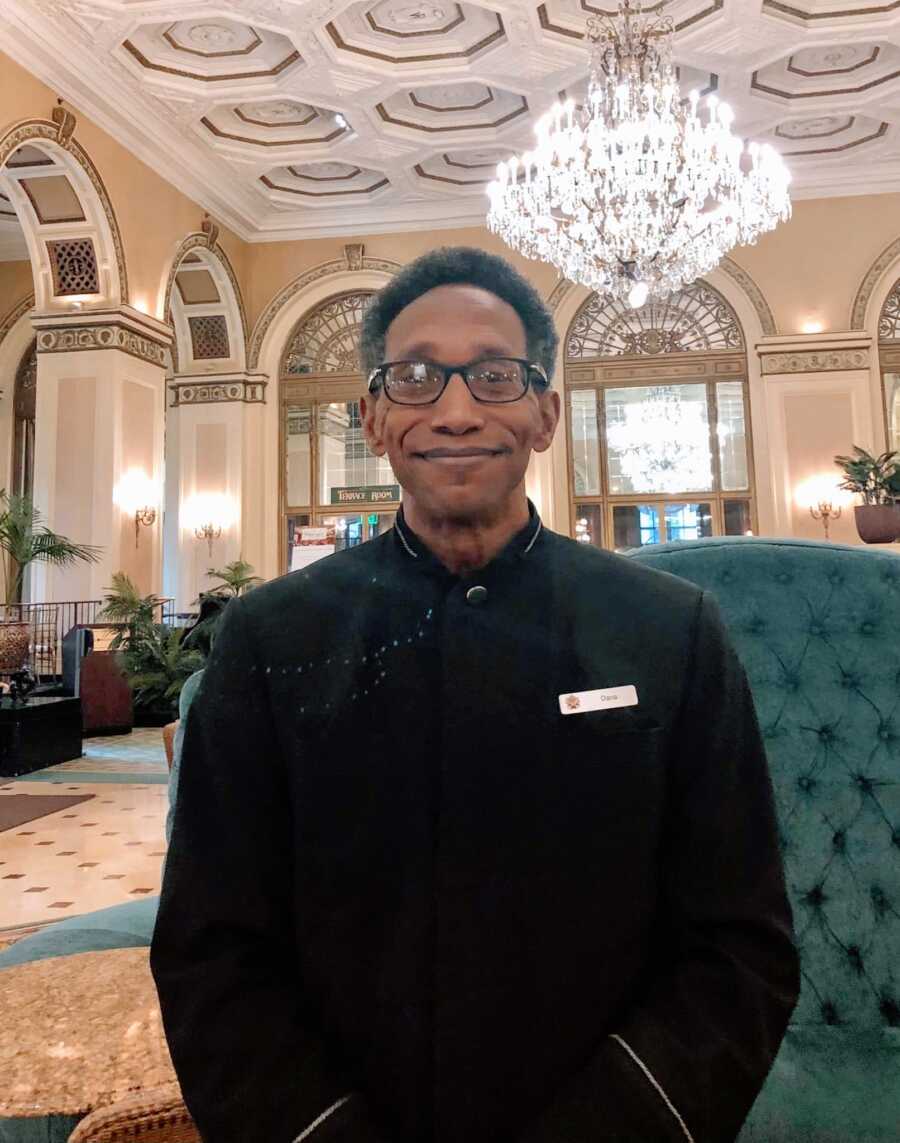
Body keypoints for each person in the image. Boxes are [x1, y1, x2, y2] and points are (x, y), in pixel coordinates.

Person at [151, 247, 799, 1143]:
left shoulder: (673, 631)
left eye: (494, 376)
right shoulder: (271, 640)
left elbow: (739, 948)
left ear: (544, 413)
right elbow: (211, 950)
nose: (455, 410)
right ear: (373, 417)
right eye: (415, 378)